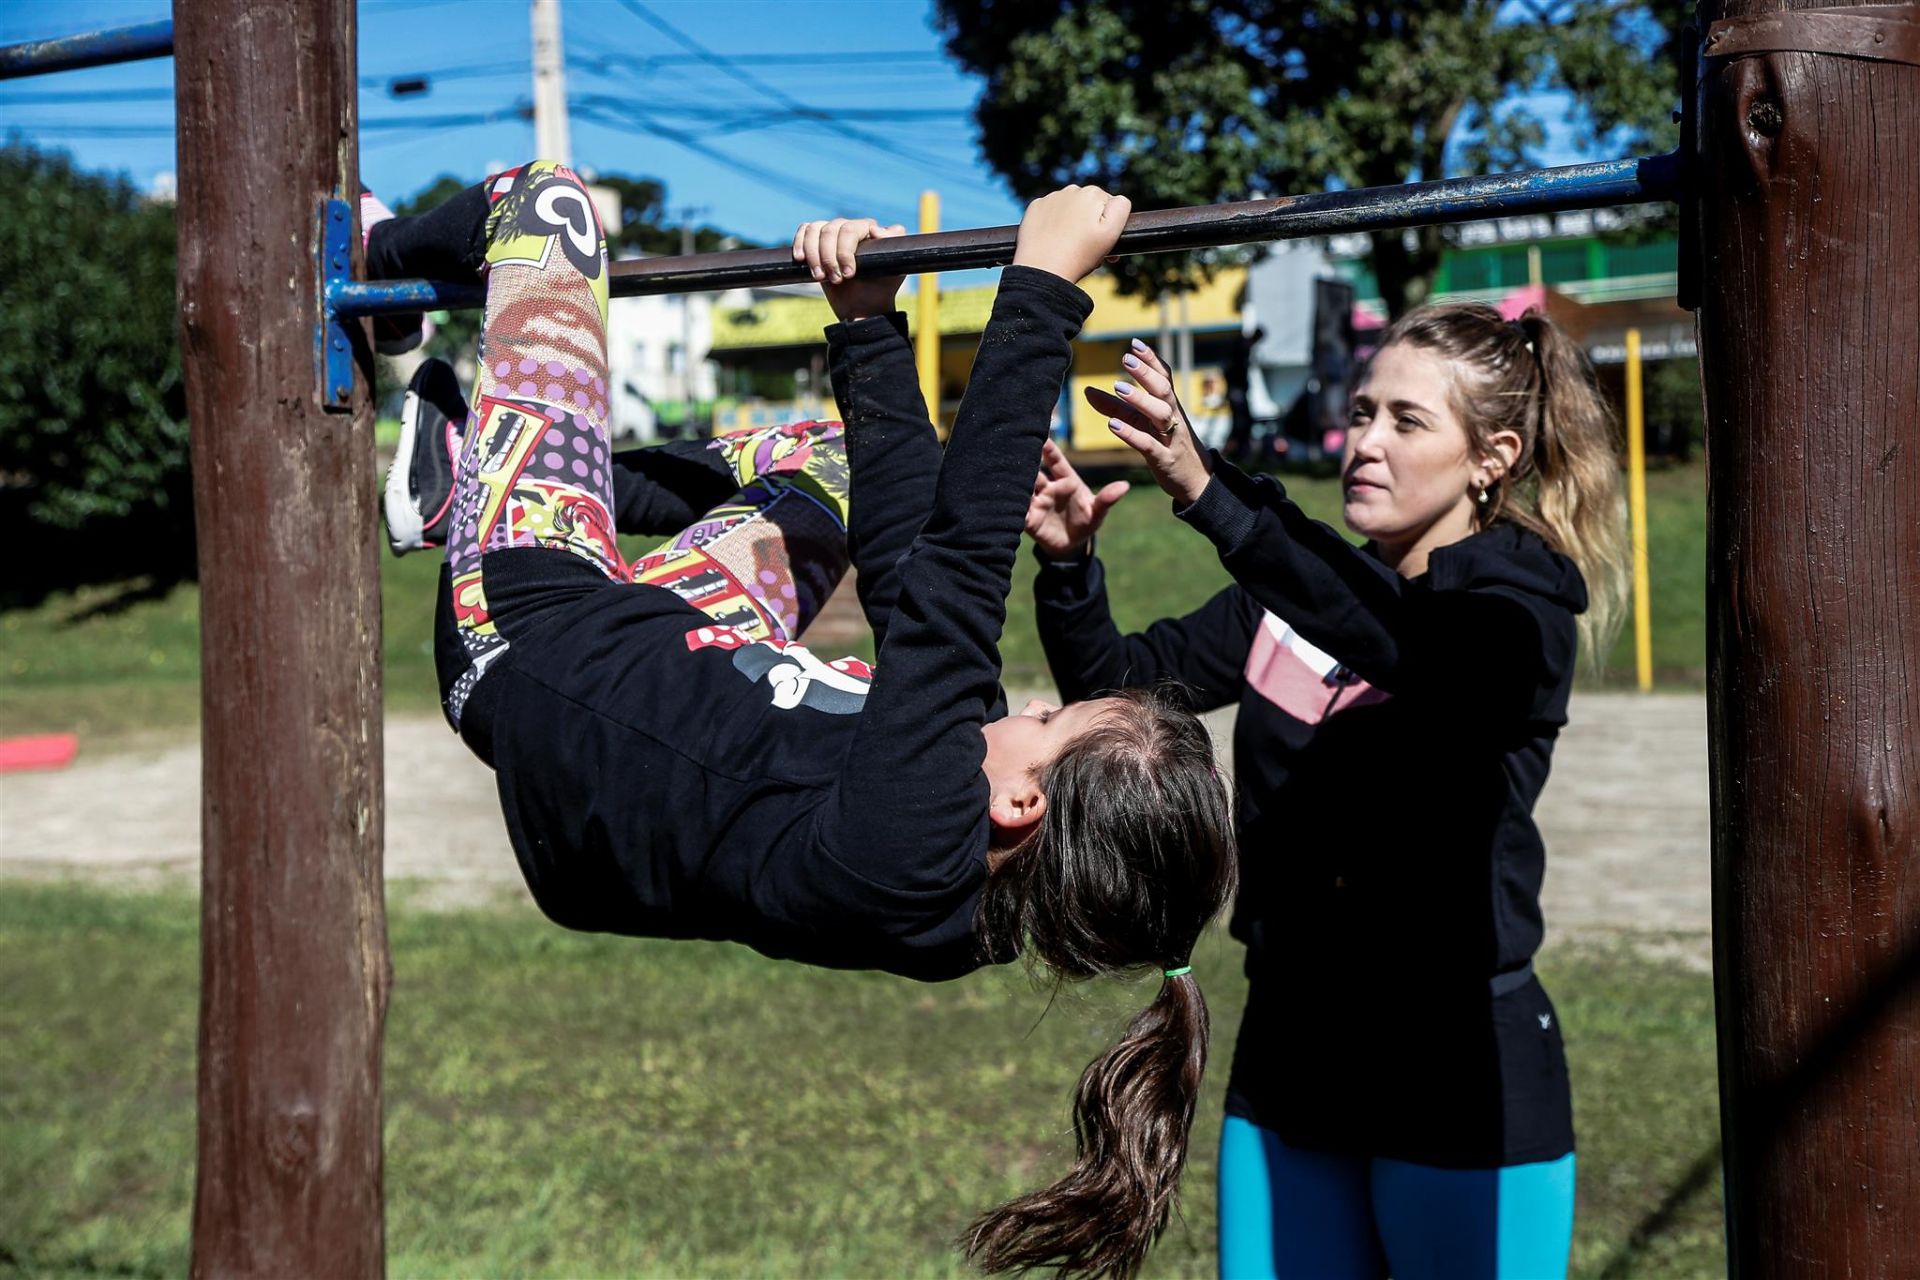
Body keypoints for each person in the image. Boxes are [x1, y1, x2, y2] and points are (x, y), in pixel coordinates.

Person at [369, 163, 1236, 1280]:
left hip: (529, 633)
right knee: (831, 463)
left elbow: (964, 569)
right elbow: (918, 541)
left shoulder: (913, 844)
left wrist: (1044, 290)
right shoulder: (969, 856)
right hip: (652, 643)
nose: (1031, 700)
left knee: (547, 206)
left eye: (1054, 717)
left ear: (1025, 800)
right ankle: (468, 477)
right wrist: (867, 328)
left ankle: (380, 273)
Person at [1026, 309, 1629, 1278]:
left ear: (1494, 456)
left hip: (1457, 1064)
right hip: (1292, 1052)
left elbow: (1403, 641)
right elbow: (1121, 689)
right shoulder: (1298, 595)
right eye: (1360, 412)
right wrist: (1067, 569)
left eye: (1406, 420)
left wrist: (1209, 490)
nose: (1366, 442)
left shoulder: (1518, 616)